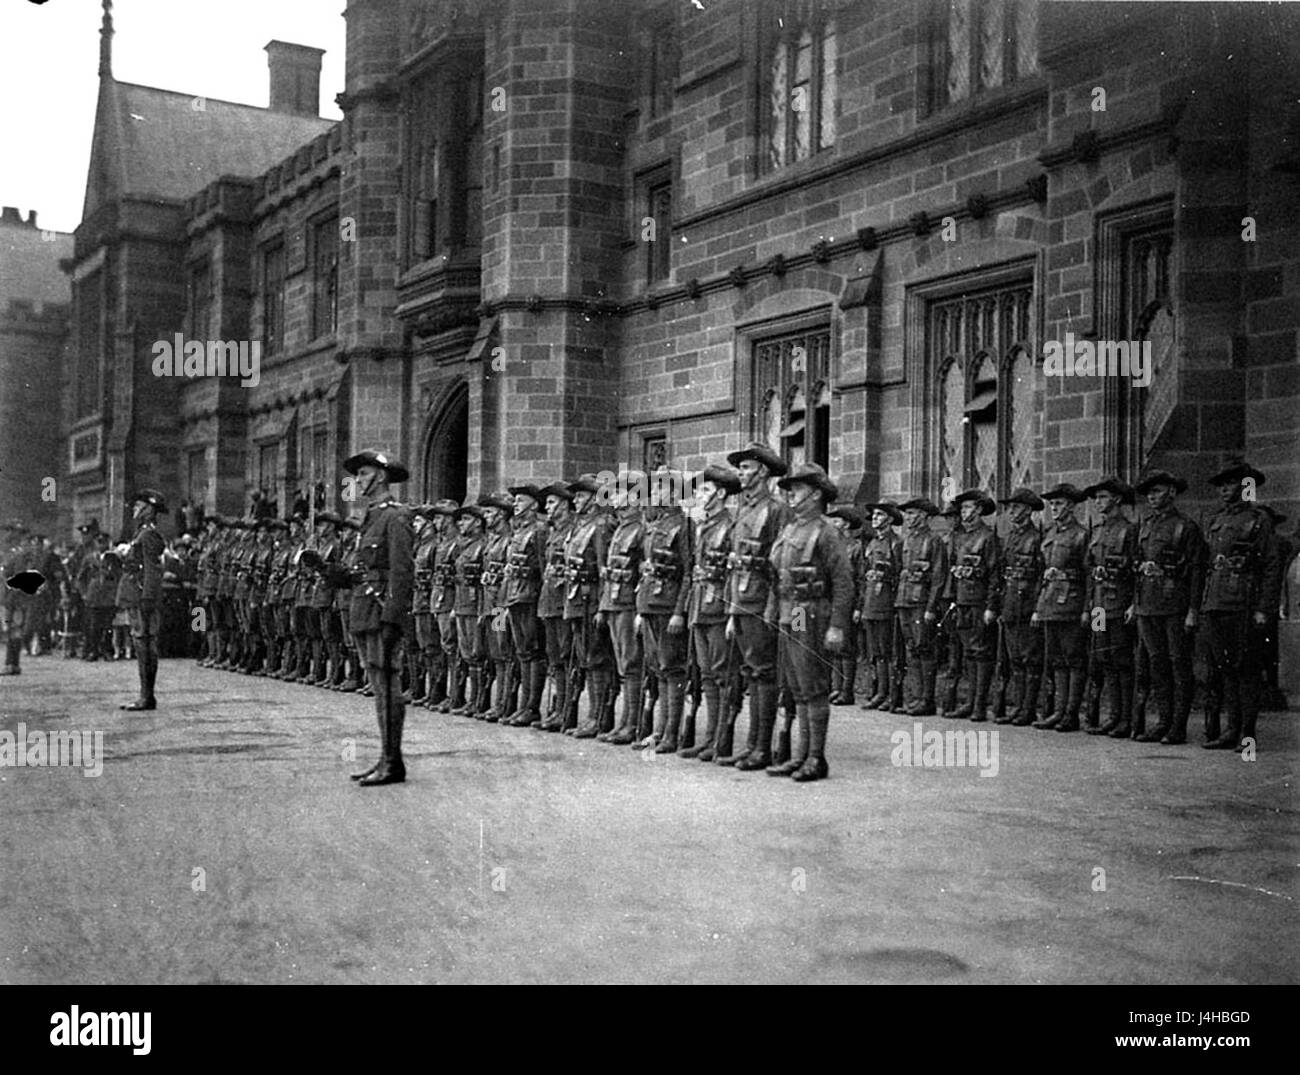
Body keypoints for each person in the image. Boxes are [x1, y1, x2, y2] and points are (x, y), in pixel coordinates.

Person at [324, 450, 414, 786]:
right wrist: (340, 576)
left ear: (380, 476)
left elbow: (402, 572)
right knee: (379, 685)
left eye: (362, 474)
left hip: (380, 612)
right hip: (364, 609)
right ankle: (386, 759)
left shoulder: (396, 515)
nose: (358, 480)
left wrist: (393, 618)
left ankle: (393, 762)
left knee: (388, 685)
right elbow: (367, 569)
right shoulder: (372, 515)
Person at [765, 463, 853, 781]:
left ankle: (816, 758)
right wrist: (773, 609)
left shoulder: (825, 532)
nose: (790, 495)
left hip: (808, 613)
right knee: (796, 686)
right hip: (791, 613)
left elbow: (843, 582)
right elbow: (779, 575)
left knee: (811, 684)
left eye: (797, 489)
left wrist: (837, 626)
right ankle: (800, 755)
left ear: (815, 494)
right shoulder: (790, 529)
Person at [1200, 459, 1280, 751]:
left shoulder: (1258, 520)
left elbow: (1271, 566)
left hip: (1244, 603)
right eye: (1220, 485)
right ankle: (1231, 730)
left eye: (1230, 483)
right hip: (1217, 602)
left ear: (1245, 486)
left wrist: (1264, 608)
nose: (1223, 489)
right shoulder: (1216, 520)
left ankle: (1247, 734)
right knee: (1226, 670)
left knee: (1246, 670)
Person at [721, 441, 791, 768]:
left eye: (747, 467)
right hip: (743, 599)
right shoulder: (745, 509)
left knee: (764, 673)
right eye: (741, 467)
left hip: (762, 602)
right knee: (751, 673)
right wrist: (733, 607)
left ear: (762, 472)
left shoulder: (776, 510)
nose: (741, 473)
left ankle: (762, 747)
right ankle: (752, 744)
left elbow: (781, 566)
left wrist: (773, 608)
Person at [1131, 469, 1205, 743]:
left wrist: (1193, 610)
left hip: (1175, 605)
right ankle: (1163, 721)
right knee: (1156, 664)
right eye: (1149, 492)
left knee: (1178, 665)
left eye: (1158, 491)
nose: (1152, 496)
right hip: (1147, 605)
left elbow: (1197, 570)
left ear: (1172, 493)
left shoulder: (1186, 527)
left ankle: (1178, 726)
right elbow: (1134, 563)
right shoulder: (1145, 526)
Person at [682, 464, 740, 756]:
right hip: (700, 606)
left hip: (718, 607)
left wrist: (732, 613)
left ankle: (721, 740)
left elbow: (733, 573)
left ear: (719, 493)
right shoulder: (702, 524)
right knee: (705, 674)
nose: (698, 495)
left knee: (722, 673)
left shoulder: (730, 525)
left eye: (704, 489)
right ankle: (708, 738)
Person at [636, 468, 693, 752]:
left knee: (673, 669)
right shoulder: (655, 525)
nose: (654, 492)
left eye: (659, 487)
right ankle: (658, 732)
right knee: (658, 669)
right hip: (650, 604)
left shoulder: (683, 526)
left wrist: (679, 612)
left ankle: (671, 734)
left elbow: (687, 573)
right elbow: (645, 566)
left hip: (669, 606)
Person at [1082, 476, 1139, 737]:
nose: (1097, 502)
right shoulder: (1096, 531)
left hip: (1119, 603)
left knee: (1122, 659)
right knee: (1104, 658)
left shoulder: (1129, 530)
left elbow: (1137, 570)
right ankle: (1113, 716)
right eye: (1096, 498)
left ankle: (1126, 719)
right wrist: (1088, 606)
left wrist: (1134, 603)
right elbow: (1088, 569)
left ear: (1116, 499)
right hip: (1099, 607)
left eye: (1103, 497)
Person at [1031, 483, 1089, 732]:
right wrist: (1037, 608)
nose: (1054, 508)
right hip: (1049, 604)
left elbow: (1089, 575)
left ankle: (1071, 713)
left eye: (1060, 503)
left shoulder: (1081, 535)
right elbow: (1041, 574)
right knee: (1056, 660)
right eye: (1052, 504)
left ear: (1072, 507)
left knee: (1074, 658)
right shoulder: (1050, 534)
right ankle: (1058, 710)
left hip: (1073, 605)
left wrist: (1089, 611)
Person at [941, 489, 1002, 721]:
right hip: (962, 601)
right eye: (962, 508)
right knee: (968, 652)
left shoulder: (987, 537)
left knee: (981, 652)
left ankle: (979, 704)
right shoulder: (960, 537)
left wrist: (991, 607)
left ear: (978, 510)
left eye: (967, 508)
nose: (963, 512)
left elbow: (995, 575)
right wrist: (953, 600)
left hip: (979, 602)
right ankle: (969, 701)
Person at [596, 474, 647, 745]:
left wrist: (640, 611)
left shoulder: (640, 529)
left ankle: (633, 724)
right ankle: (624, 722)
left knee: (631, 663)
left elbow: (642, 573)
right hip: (615, 602)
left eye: (618, 493)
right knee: (622, 664)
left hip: (629, 603)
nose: (613, 498)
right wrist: (604, 606)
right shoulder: (620, 528)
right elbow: (609, 571)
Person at [563, 475, 615, 738]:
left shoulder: (601, 525)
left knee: (596, 658)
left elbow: (606, 568)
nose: (576, 500)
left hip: (592, 598)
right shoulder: (578, 526)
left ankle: (598, 717)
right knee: (585, 657)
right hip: (576, 598)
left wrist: (603, 607)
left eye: (581, 495)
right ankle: (591, 716)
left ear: (594, 498)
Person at [994, 487, 1044, 726]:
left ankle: (1029, 709)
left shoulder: (1036, 538)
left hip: (1029, 606)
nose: (1011, 510)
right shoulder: (1011, 537)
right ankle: (1019, 706)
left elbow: (1040, 577)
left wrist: (1037, 609)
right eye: (1010, 507)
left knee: (1030, 658)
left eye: (1016, 507)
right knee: (1014, 659)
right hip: (1011, 604)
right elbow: (1002, 574)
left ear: (1027, 510)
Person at [501, 484, 549, 726]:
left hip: (530, 596)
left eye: (520, 500)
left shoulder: (540, 530)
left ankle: (532, 707)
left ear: (534, 505)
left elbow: (543, 567)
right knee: (522, 651)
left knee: (532, 650)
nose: (515, 504)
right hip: (514, 596)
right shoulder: (519, 531)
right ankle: (523, 706)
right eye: (515, 500)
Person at [118, 489, 168, 710]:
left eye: (139, 506)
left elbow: (152, 570)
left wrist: (148, 598)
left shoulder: (148, 535)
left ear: (149, 510)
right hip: (136, 594)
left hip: (141, 596)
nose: (135, 510)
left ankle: (146, 696)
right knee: (141, 644)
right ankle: (145, 695)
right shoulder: (142, 533)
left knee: (144, 644)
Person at [537, 482, 576, 732]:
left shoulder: (569, 530)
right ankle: (555, 709)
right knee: (552, 657)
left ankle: (565, 711)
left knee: (564, 655)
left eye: (551, 503)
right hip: (541, 602)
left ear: (564, 504)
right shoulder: (550, 533)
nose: (547, 508)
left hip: (564, 602)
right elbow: (543, 569)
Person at [860, 501, 904, 711]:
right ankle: (878, 692)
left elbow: (898, 575)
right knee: (875, 652)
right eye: (874, 515)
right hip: (870, 602)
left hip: (887, 603)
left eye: (879, 515)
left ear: (890, 519)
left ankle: (890, 695)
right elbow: (863, 575)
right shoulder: (871, 544)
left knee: (888, 651)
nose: (875, 518)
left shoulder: (896, 543)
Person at [479, 493, 518, 722]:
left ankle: (505, 704)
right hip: (491, 603)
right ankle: (498, 703)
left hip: (501, 605)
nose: (487, 517)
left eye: (490, 512)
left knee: (503, 652)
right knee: (494, 651)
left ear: (502, 514)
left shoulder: (508, 540)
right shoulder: (492, 540)